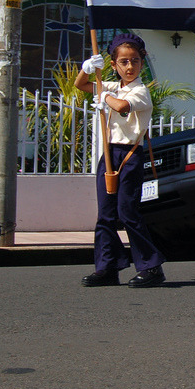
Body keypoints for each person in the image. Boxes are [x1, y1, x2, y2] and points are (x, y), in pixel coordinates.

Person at [75, 33, 166, 288]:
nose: (129, 66)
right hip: (109, 154)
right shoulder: (112, 86)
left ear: (142, 62)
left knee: (127, 211)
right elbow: (81, 85)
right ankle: (107, 267)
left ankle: (151, 267)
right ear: (113, 65)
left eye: (134, 61)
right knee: (105, 214)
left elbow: (123, 106)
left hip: (129, 155)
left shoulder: (140, 91)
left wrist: (104, 98)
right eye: (123, 62)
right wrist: (87, 69)